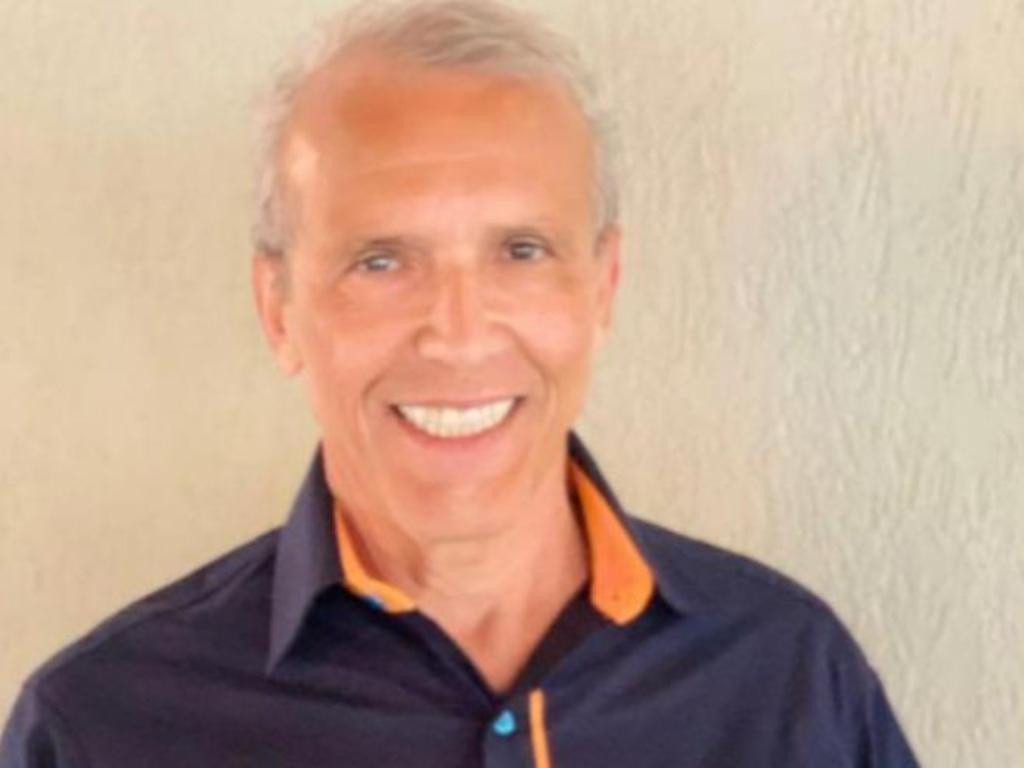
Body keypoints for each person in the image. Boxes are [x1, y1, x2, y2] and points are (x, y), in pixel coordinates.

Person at [1, 1, 921, 765]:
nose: (458, 332)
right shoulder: (99, 728)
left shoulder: (787, 676)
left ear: (602, 288)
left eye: (521, 251)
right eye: (380, 261)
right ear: (278, 309)